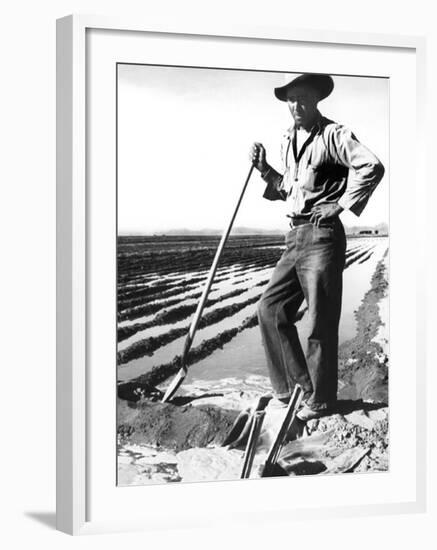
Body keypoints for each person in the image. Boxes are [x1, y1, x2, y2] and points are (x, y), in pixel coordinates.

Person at [251, 73, 385, 421]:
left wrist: (340, 204)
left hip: (322, 235)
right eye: (291, 99)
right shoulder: (287, 139)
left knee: (319, 323)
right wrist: (265, 170)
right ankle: (295, 389)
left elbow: (371, 165)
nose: (297, 105)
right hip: (293, 236)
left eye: (304, 98)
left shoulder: (333, 134)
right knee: (270, 309)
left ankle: (321, 402)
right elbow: (289, 189)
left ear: (316, 100)